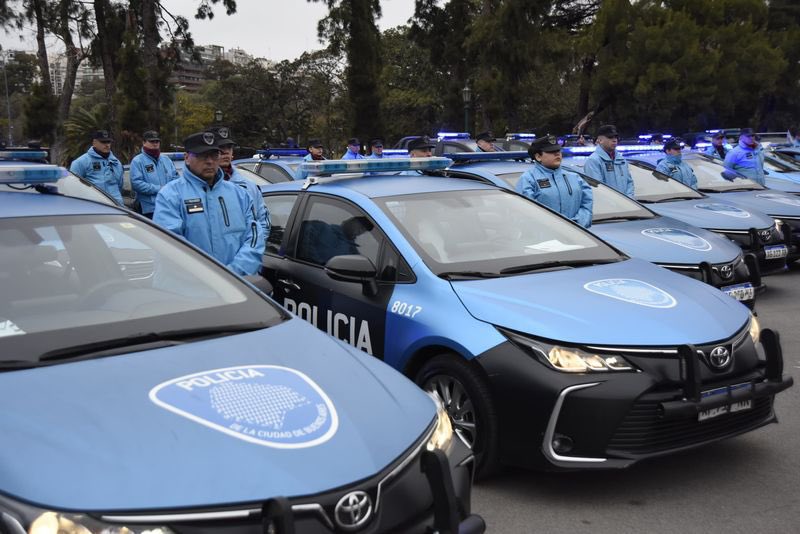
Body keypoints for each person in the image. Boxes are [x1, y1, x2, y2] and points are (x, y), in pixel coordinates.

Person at [153, 131, 263, 276]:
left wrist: (235, 273)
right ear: (187, 158)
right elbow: (169, 245)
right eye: (202, 156)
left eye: (214, 155)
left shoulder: (239, 194)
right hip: (190, 290)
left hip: (237, 286)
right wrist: (211, 279)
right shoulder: (170, 195)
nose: (210, 161)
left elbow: (255, 237)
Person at [208, 125, 270, 250]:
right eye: (221, 148)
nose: (226, 152)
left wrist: (250, 252)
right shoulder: (202, 186)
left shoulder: (249, 186)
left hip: (246, 262)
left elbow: (263, 222)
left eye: (229, 148)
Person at [515, 134, 593, 228]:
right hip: (545, 238)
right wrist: (556, 229)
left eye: (558, 150)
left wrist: (576, 225)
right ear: (538, 157)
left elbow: (587, 206)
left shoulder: (575, 177)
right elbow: (528, 213)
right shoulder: (528, 179)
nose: (557, 154)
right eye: (551, 151)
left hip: (576, 236)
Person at [128, 130, 180, 218]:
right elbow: (136, 184)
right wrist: (159, 189)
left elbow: (176, 178)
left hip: (168, 206)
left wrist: (170, 188)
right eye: (152, 141)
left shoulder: (166, 159)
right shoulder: (137, 161)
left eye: (157, 141)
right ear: (144, 142)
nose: (155, 144)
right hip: (148, 209)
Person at [69, 129, 124, 205]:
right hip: (94, 207)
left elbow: (119, 184)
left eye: (108, 142)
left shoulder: (116, 162)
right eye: (103, 142)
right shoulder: (81, 162)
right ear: (94, 142)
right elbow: (73, 186)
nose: (107, 145)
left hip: (117, 206)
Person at [583, 124, 634, 197]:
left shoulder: (621, 159)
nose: (614, 140)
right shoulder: (593, 161)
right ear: (600, 140)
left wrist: (629, 200)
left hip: (627, 206)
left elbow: (629, 183)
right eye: (610, 137)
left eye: (616, 137)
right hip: (609, 207)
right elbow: (598, 190)